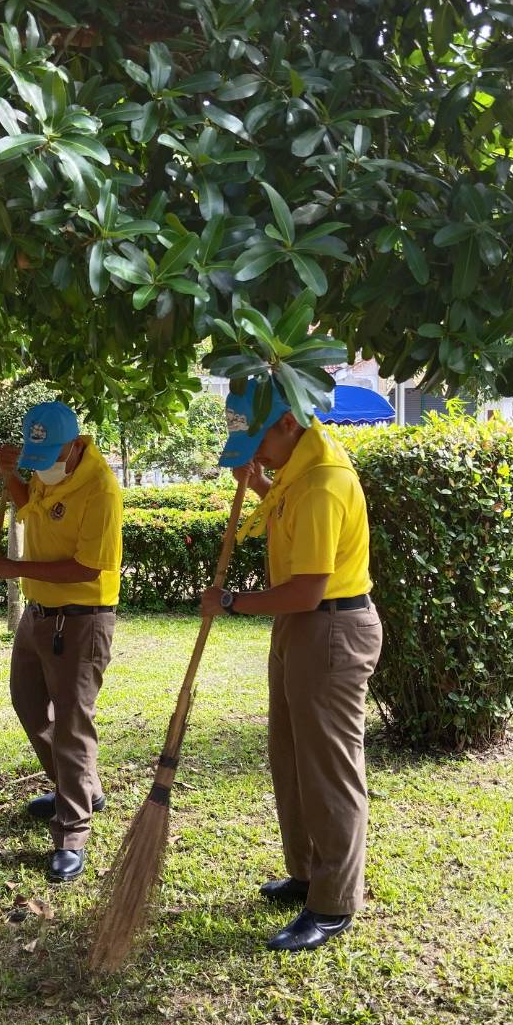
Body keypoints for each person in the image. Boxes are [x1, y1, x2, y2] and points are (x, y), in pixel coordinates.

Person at [199, 382, 383, 952]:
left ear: (286, 425)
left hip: (329, 628)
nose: (259, 456)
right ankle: (305, 874)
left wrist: (232, 602)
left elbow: (305, 588)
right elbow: (291, 527)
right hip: (302, 629)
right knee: (290, 755)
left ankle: (332, 903)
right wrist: (258, 487)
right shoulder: (298, 472)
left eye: (260, 443)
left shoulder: (324, 481)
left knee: (328, 768)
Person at [0, 401, 123, 882]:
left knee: (71, 724)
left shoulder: (100, 489)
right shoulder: (48, 468)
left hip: (81, 620)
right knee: (27, 703)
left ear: (72, 444)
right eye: (34, 457)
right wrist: (10, 475)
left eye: (47, 457)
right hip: (38, 614)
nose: (41, 467)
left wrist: (13, 570)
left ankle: (72, 831)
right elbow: (30, 507)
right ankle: (80, 787)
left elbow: (88, 568)